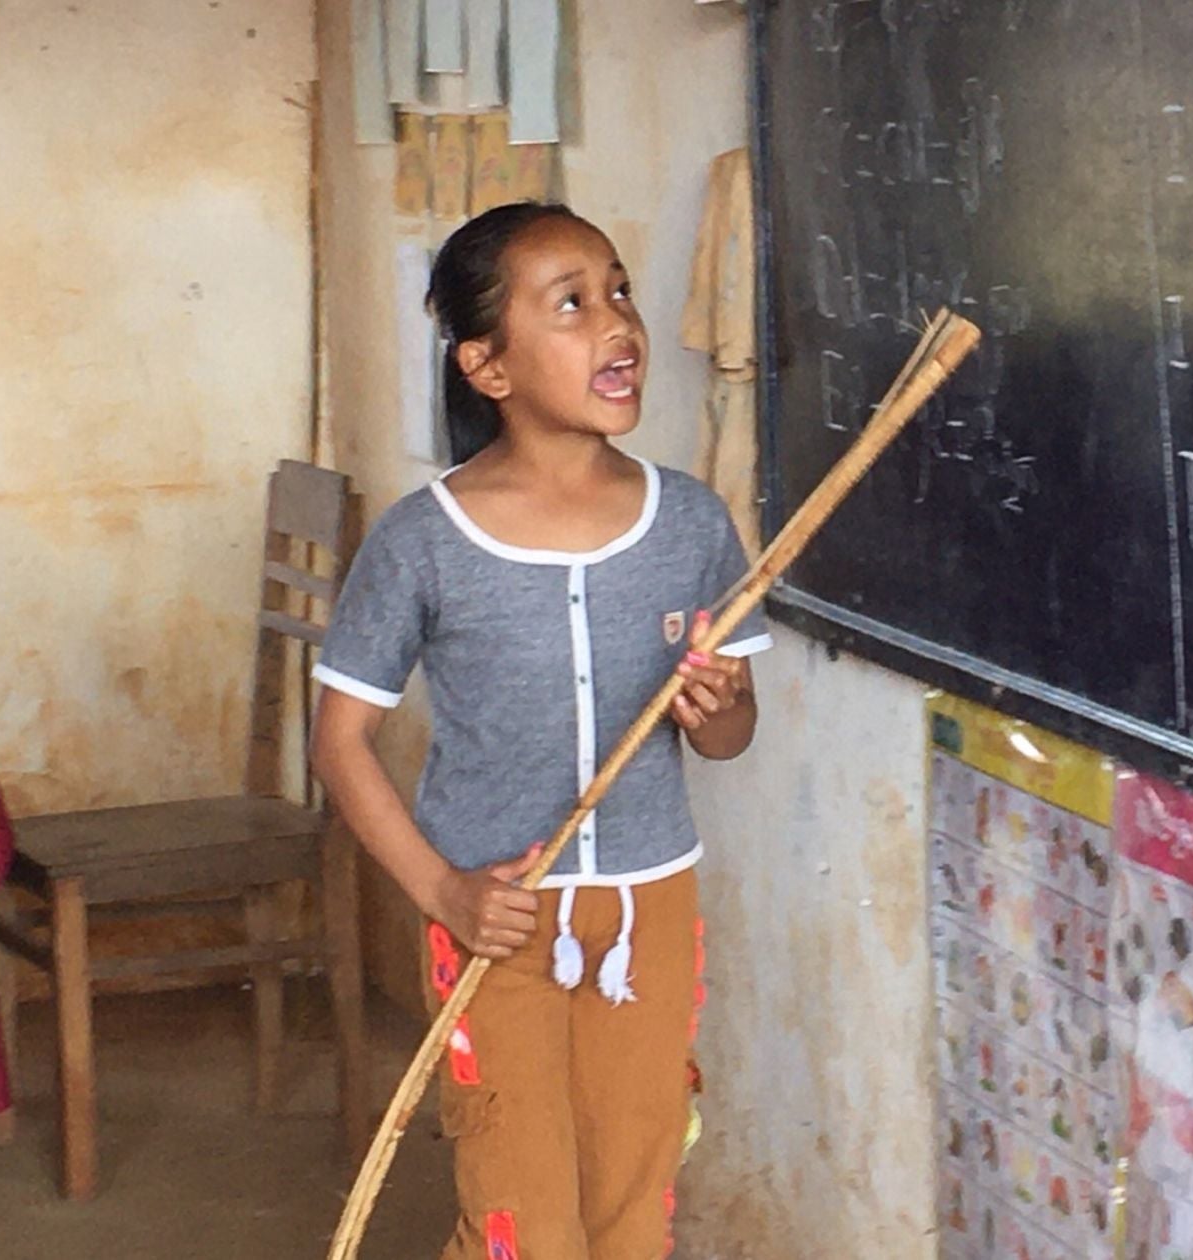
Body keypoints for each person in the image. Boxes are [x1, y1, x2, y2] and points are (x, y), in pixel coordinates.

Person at [311, 201, 768, 1260]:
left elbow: (729, 737)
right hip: (492, 917)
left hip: (648, 909)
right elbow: (338, 743)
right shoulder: (424, 541)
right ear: (489, 366)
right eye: (569, 305)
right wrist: (443, 894)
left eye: (617, 292)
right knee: (522, 1215)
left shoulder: (692, 523)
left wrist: (720, 705)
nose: (616, 324)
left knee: (633, 1195)